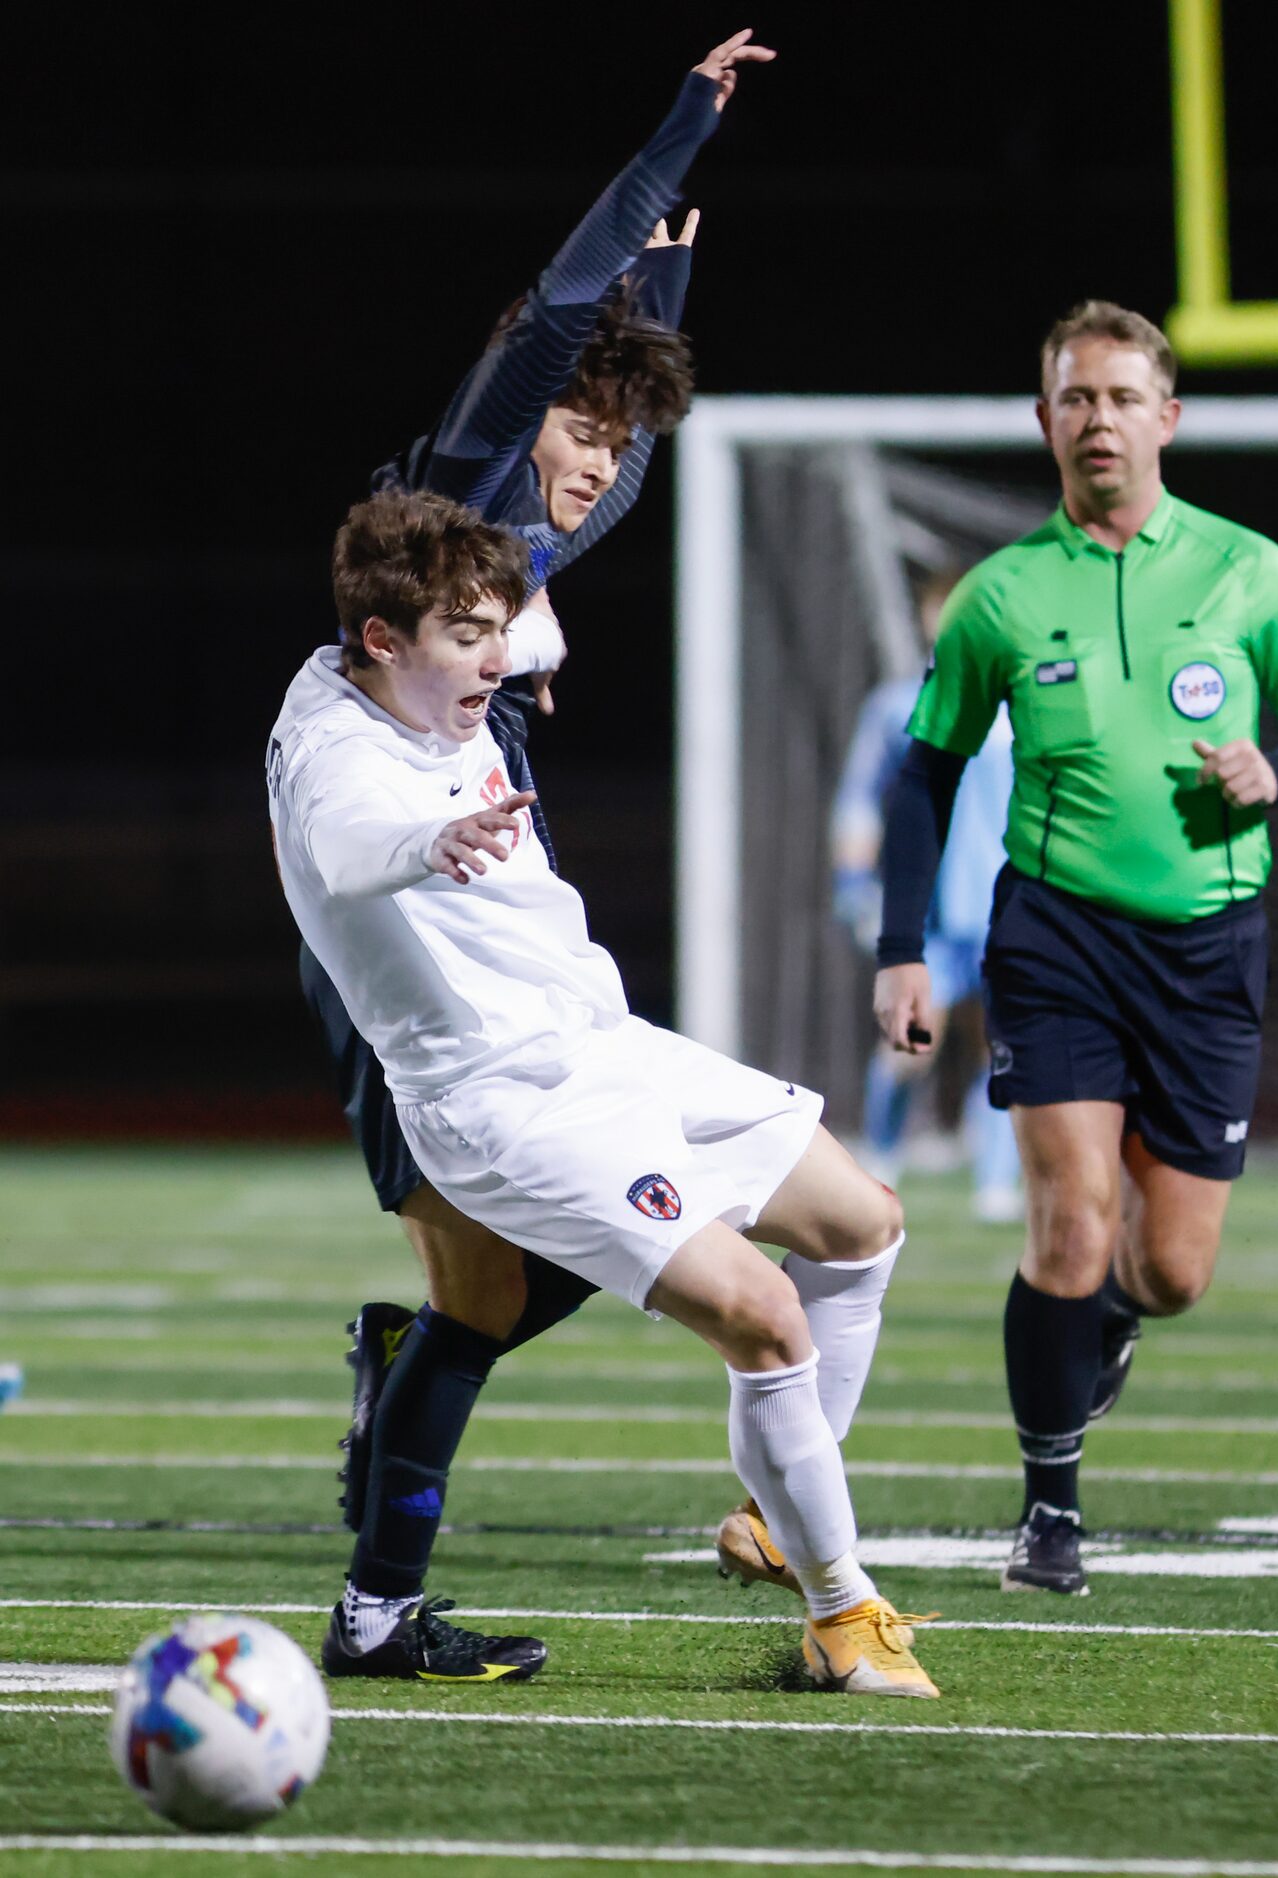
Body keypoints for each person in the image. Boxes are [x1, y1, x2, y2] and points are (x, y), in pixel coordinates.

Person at [268, 489, 938, 1697]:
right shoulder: (337, 756)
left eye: (498, 629)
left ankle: (778, 1520)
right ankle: (844, 1618)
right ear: (380, 642)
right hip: (501, 1100)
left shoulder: (428, 662)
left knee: (863, 1222)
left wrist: (546, 577)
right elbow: (346, 847)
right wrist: (433, 845)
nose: (493, 658)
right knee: (764, 1321)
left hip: (599, 1040)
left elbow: (522, 593)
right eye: (466, 635)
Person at [299, 30, 776, 1677]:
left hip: (486, 867)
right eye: (575, 420)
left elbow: (621, 434)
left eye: (609, 432)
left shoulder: (551, 516)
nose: (588, 451)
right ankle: (380, 1582)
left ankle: (397, 1440)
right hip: (395, 894)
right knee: (485, 1275)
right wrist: (678, 135)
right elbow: (560, 319)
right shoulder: (470, 468)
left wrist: (660, 327)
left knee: (509, 1277)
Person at [874, 300, 1278, 1595]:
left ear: (1166, 417)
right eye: (1073, 398)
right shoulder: (999, 594)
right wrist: (899, 944)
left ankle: (1109, 1323)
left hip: (1210, 947)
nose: (1097, 419)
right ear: (1044, 422)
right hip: (1057, 934)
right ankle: (1048, 1512)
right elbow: (919, 773)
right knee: (1071, 1221)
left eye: (1120, 396)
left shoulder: (1246, 571)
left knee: (1168, 1269)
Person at [830, 567, 1021, 1219]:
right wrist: (855, 886)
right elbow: (858, 801)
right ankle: (879, 1162)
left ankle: (997, 1182)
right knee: (907, 1041)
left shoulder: (1022, 701)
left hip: (1008, 907)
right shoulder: (894, 705)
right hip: (932, 912)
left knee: (1003, 1045)